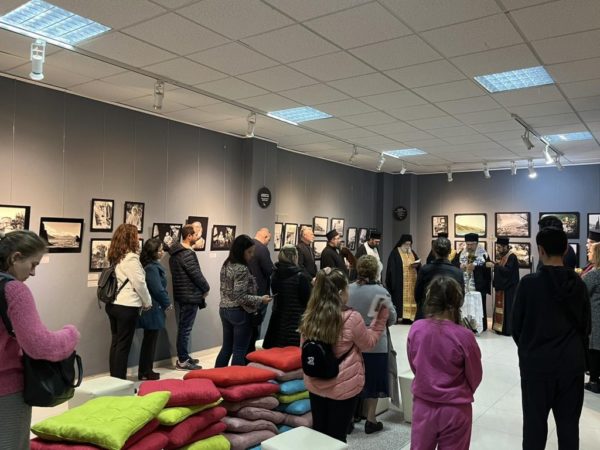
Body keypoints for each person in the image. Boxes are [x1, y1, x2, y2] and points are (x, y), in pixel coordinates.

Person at [512, 227, 591, 449]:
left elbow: (516, 327)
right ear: (566, 249)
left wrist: (529, 348)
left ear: (540, 250)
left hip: (536, 365)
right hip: (571, 365)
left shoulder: (528, 284)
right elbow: (586, 327)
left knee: (534, 427)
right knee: (569, 428)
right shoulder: (578, 284)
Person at [0, 231, 80, 450]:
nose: (33, 273)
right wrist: (71, 334)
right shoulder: (14, 290)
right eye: (33, 264)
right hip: (5, 389)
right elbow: (39, 345)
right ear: (15, 257)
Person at [299, 268, 389, 442]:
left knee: (319, 434)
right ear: (340, 293)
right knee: (337, 437)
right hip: (342, 386)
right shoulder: (351, 318)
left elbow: (303, 349)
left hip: (315, 383)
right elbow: (368, 343)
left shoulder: (309, 316)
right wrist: (380, 320)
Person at [408, 276, 483, 450]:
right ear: (457, 302)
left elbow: (414, 363)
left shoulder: (417, 328)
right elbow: (475, 375)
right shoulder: (465, 336)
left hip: (423, 405)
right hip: (456, 407)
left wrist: (427, 380)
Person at [347, 255, 397, 434]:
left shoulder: (348, 289)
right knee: (373, 382)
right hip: (375, 344)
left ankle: (350, 418)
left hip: (352, 342)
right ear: (376, 271)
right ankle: (370, 419)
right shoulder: (380, 292)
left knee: (351, 380)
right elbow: (391, 318)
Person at [215, 235, 272, 367]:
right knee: (239, 350)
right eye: (249, 252)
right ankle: (236, 378)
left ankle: (216, 375)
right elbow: (240, 297)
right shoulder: (241, 268)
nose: (252, 256)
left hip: (224, 309)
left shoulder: (226, 264)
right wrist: (260, 299)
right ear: (241, 251)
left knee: (226, 348)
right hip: (239, 312)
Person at [105, 224, 152, 379]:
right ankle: (120, 382)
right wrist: (147, 302)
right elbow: (140, 283)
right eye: (136, 235)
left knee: (116, 343)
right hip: (127, 306)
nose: (138, 238)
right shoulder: (131, 258)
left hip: (113, 304)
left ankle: (114, 380)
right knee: (123, 346)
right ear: (131, 238)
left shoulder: (115, 256)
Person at [168, 224, 210, 370]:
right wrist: (206, 288)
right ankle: (183, 360)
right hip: (189, 296)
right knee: (185, 329)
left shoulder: (175, 253)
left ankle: (184, 356)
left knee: (183, 328)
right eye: (195, 234)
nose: (197, 237)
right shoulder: (187, 254)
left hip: (182, 295)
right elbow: (196, 274)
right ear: (189, 236)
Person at [137, 238, 172, 380]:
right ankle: (146, 371)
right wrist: (167, 303)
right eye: (160, 250)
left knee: (149, 341)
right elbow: (158, 289)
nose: (162, 252)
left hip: (153, 307)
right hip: (153, 309)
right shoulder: (151, 268)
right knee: (150, 342)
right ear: (153, 252)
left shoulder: (149, 266)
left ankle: (145, 370)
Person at [263, 245, 311, 348]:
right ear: (294, 257)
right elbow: (307, 300)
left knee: (277, 351)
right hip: (296, 320)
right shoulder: (301, 276)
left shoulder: (275, 274)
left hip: (278, 319)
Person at [414, 237, 464, 321]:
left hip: (427, 314)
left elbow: (417, 295)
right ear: (450, 251)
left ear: (433, 251)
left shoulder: (425, 270)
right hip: (449, 316)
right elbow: (460, 298)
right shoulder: (457, 272)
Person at [452, 233, 492, 331]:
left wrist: (476, 268)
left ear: (476, 243)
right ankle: (464, 325)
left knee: (479, 306)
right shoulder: (461, 253)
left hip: (478, 285)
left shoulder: (483, 254)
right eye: (468, 244)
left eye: (472, 244)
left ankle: (479, 326)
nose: (469, 247)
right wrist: (460, 266)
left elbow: (487, 269)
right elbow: (454, 263)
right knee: (464, 304)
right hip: (464, 284)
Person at [248, 228, 273, 353]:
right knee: (256, 324)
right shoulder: (262, 249)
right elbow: (269, 270)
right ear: (265, 237)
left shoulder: (247, 245)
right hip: (260, 292)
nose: (268, 242)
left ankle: (247, 351)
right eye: (269, 239)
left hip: (246, 293)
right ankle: (252, 353)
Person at [386, 234, 421, 323]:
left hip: (412, 283)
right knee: (399, 300)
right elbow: (391, 269)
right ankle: (399, 317)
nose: (408, 246)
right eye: (406, 244)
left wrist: (417, 265)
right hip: (400, 283)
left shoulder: (412, 253)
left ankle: (409, 318)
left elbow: (419, 264)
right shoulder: (395, 253)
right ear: (402, 243)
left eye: (409, 244)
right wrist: (392, 282)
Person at [491, 237, 520, 336]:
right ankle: (500, 328)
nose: (498, 249)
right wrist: (496, 265)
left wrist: (495, 266)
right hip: (504, 287)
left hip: (509, 289)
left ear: (505, 247)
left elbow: (507, 272)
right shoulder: (504, 256)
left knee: (507, 309)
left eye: (499, 247)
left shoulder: (512, 257)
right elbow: (502, 269)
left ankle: (507, 330)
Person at [583, 242, 600, 394]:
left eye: (591, 251)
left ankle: (594, 381)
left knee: (594, 349)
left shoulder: (594, 274)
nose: (588, 253)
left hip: (595, 316)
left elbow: (582, 290)